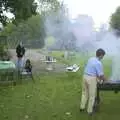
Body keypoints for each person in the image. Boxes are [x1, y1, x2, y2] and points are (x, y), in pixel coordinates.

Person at [80, 48, 107, 115]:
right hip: (91, 79)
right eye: (103, 56)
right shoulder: (98, 63)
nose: (103, 57)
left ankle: (82, 107)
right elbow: (101, 75)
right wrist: (106, 80)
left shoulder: (91, 59)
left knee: (84, 93)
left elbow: (91, 69)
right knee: (92, 95)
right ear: (101, 55)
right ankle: (89, 111)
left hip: (85, 76)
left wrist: (98, 77)